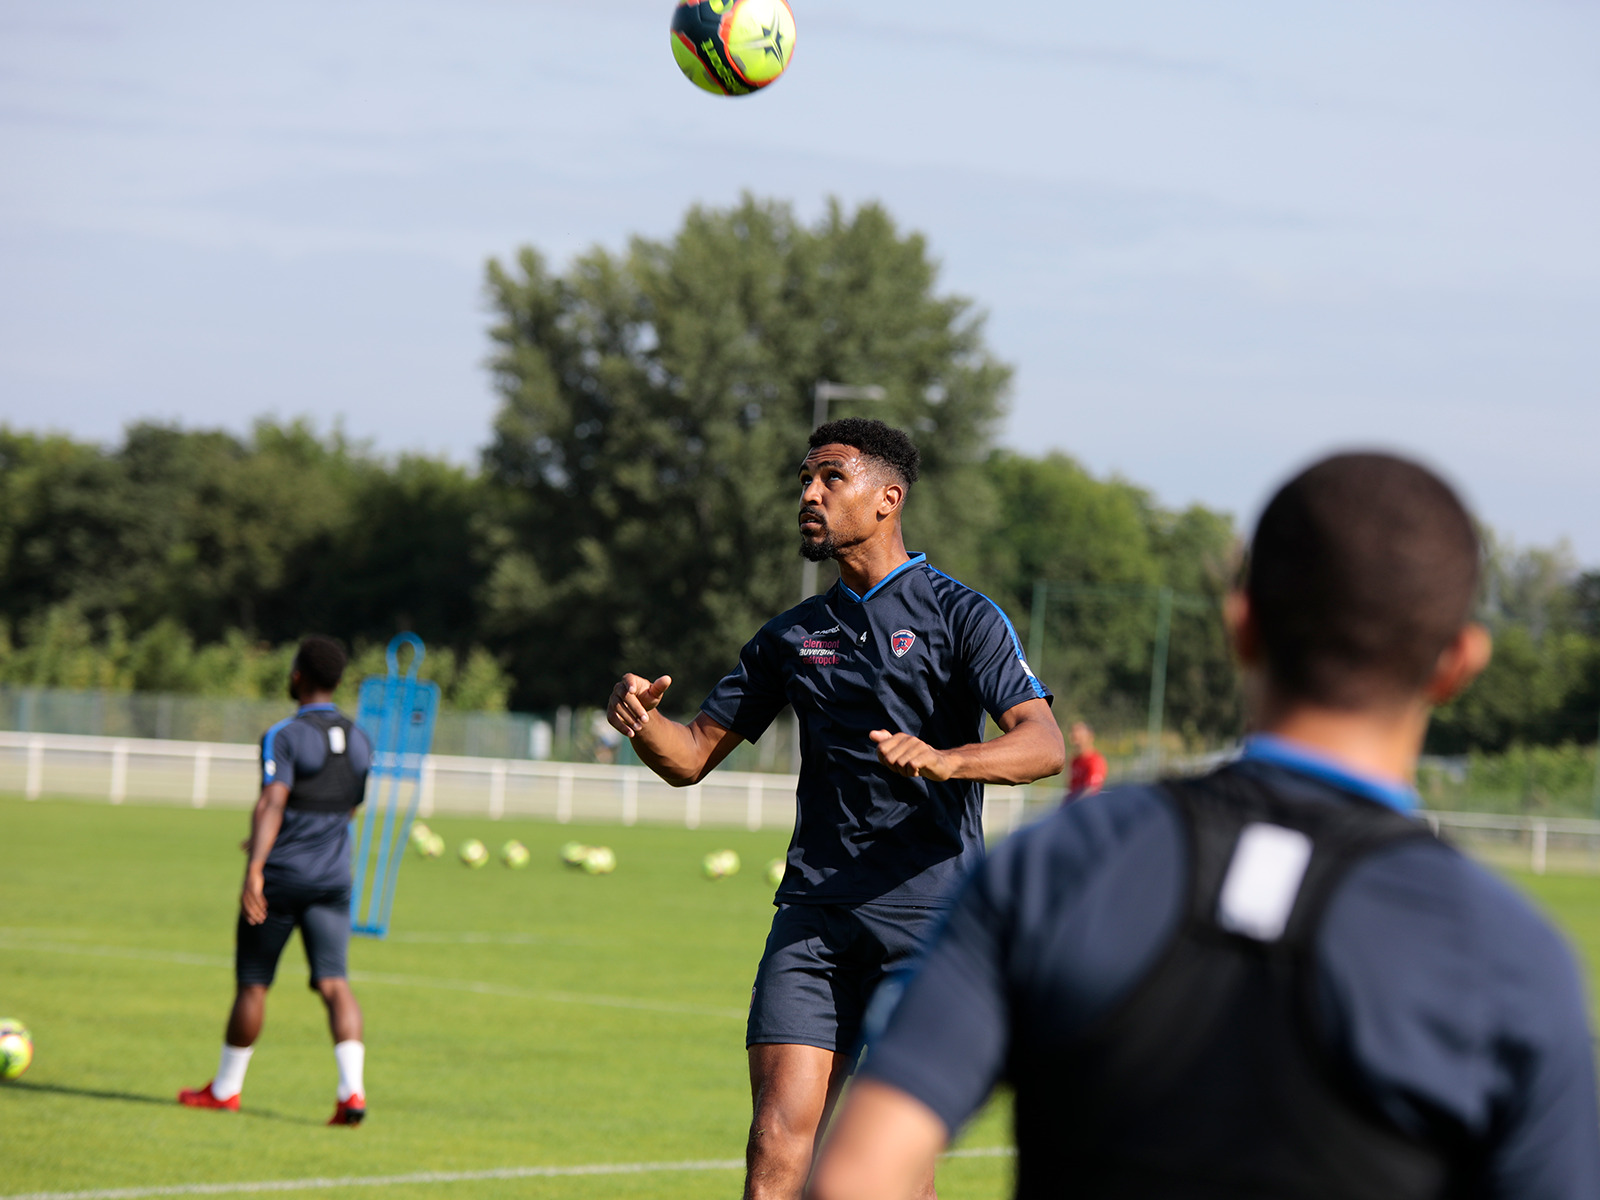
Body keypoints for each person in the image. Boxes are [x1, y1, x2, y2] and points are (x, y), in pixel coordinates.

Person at [810, 452, 1600, 1200]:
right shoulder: (1510, 957)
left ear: (1241, 627)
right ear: (1457, 665)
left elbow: (860, 1174)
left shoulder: (1060, 865)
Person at [606, 418, 1065, 1200]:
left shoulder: (963, 615)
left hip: (927, 923)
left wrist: (948, 758)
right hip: (813, 918)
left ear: (887, 499)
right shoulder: (793, 636)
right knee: (773, 1154)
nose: (808, 495)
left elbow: (1042, 743)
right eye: (804, 480)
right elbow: (690, 759)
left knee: (884, 1172)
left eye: (829, 478)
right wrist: (643, 724)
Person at [178, 635, 374, 1126]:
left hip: (283, 878)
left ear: (297, 676)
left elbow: (273, 800)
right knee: (335, 983)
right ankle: (352, 1094)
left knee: (254, 985)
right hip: (334, 877)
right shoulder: (361, 737)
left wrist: (255, 869)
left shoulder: (283, 734)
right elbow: (348, 806)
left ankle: (225, 1090)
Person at [1062, 720, 1107, 803]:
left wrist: (1072, 807)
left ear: (1090, 736)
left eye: (1078, 735)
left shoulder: (1095, 761)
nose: (1073, 736)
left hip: (1085, 809)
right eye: (1072, 734)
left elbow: (1091, 790)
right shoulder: (1074, 761)